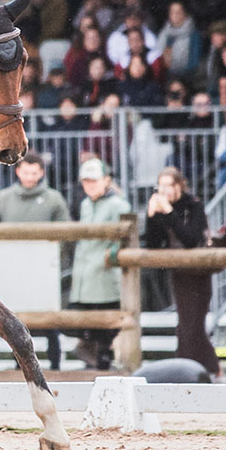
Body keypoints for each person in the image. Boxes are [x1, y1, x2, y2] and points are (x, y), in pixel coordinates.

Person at [0, 152, 70, 370]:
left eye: (34, 173)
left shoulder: (54, 199)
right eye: (26, 172)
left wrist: (54, 259)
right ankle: (18, 365)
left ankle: (55, 366)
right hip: (11, 269)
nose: (29, 177)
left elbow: (66, 232)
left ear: (42, 173)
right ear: (18, 171)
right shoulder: (4, 198)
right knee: (14, 317)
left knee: (49, 320)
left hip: (44, 270)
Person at [144, 168, 219, 376]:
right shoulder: (162, 207)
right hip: (179, 273)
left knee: (193, 326)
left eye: (169, 185)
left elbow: (191, 239)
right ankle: (194, 370)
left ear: (179, 186)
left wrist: (169, 212)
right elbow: (152, 243)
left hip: (198, 272)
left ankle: (205, 369)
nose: (164, 190)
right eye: (161, 186)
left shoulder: (193, 206)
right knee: (185, 326)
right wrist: (151, 216)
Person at [71, 158, 131, 370]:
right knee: (88, 324)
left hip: (104, 274)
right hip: (86, 274)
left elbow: (127, 236)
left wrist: (114, 254)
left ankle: (102, 362)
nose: (89, 185)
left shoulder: (118, 205)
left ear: (106, 181)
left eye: (94, 181)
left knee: (104, 326)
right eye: (86, 181)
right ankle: (96, 363)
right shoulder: (86, 204)